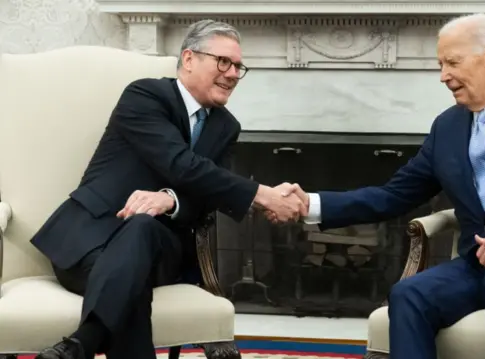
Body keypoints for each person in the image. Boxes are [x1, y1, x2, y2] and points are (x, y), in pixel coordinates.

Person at [275, 13, 485, 359]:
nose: (443, 76)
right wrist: (312, 205)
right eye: (440, 65)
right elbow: (394, 195)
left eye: (452, 63)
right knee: (408, 294)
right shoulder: (448, 126)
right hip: (480, 265)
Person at [30, 20, 305, 359]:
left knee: (143, 227)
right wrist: (262, 194)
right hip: (88, 242)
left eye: (238, 66)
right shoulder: (144, 95)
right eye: (224, 62)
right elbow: (180, 163)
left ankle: (83, 343)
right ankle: (82, 343)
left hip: (160, 248)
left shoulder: (226, 127)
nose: (233, 74)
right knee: (132, 283)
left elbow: (208, 197)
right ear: (189, 58)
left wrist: (169, 200)